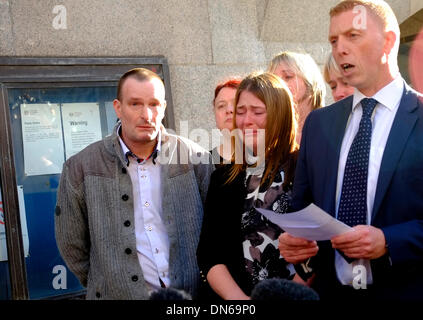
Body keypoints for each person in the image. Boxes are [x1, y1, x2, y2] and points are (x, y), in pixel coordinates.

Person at [278, 0, 423, 300]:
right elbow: (303, 211)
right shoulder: (319, 124)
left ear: (388, 41)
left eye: (352, 36)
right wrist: (297, 244)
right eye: (334, 40)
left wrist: (390, 240)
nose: (340, 48)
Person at [55, 68, 214, 300]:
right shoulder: (80, 167)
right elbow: (71, 244)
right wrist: (110, 281)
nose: (147, 115)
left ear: (164, 108)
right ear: (118, 108)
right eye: (136, 104)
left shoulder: (194, 159)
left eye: (154, 104)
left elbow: (216, 231)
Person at [197, 72, 301, 300]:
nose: (246, 120)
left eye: (257, 111)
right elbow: (209, 254)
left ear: (280, 114)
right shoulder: (223, 177)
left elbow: (323, 246)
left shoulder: (307, 167)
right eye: (241, 112)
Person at [268, 51, 326, 144]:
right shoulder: (269, 132)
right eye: (274, 80)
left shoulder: (331, 128)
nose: (279, 84)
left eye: (288, 76)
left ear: (309, 80)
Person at [210, 78, 241, 166]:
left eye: (235, 104)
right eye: (221, 106)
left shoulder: (263, 157)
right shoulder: (204, 164)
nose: (229, 110)